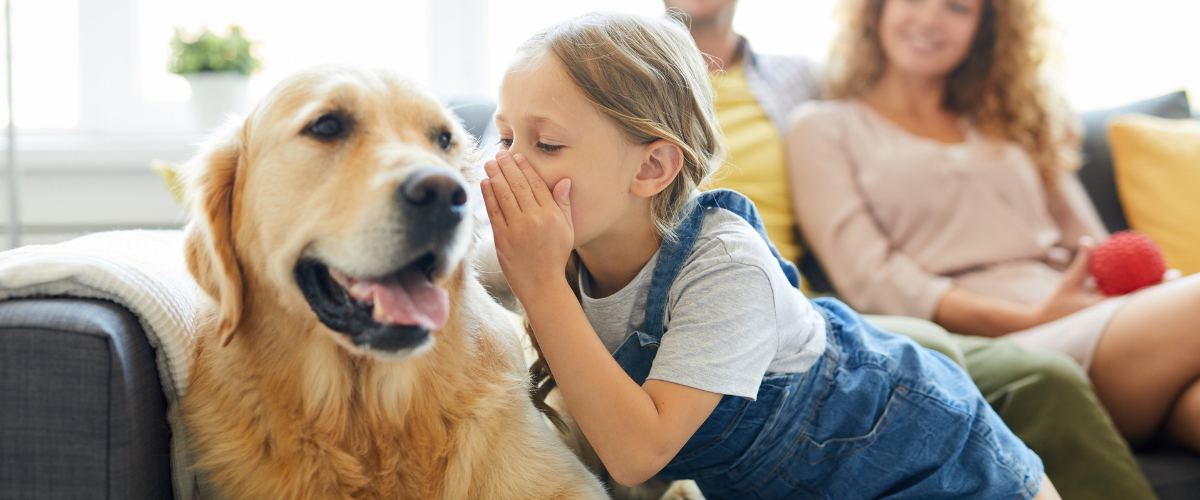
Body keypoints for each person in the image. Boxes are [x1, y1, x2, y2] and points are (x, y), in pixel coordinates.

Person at [482, 11, 1057, 498]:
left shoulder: (726, 267)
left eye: (546, 144)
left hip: (930, 461)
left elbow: (637, 454)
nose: (507, 165)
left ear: (651, 167)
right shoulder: (545, 248)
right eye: (505, 138)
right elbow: (447, 281)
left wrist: (542, 283)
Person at [788, 0, 1200, 460]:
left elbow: (1089, 243)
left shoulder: (1011, 119)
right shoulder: (823, 127)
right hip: (998, 345)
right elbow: (872, 278)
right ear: (876, 10)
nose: (930, 19)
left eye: (957, 8)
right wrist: (1033, 319)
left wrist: (1145, 294)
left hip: (1085, 317)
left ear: (985, 27)